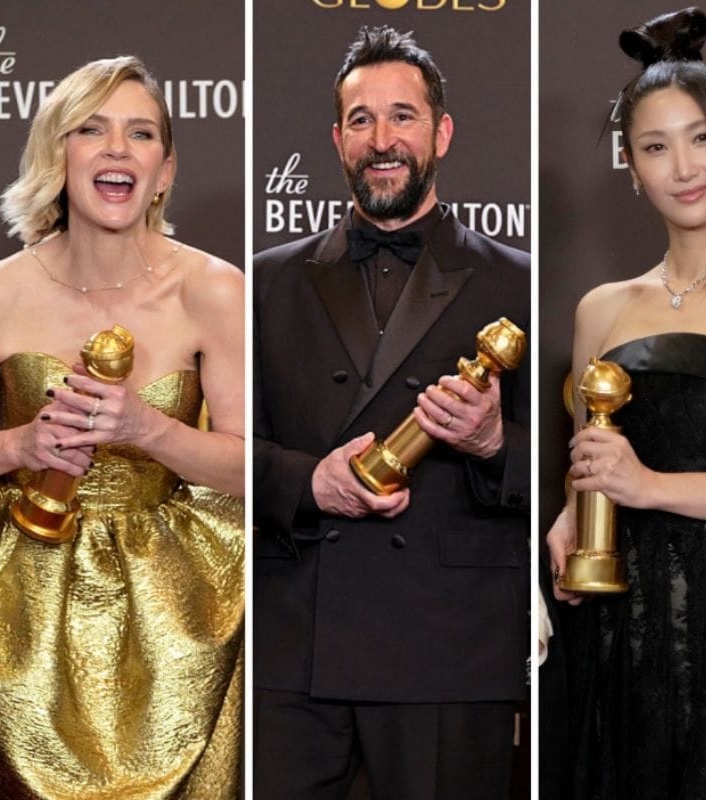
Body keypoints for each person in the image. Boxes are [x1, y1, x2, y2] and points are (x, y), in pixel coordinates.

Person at [253, 26, 529, 799]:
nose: (383, 140)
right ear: (337, 139)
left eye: (403, 116)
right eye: (362, 119)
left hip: (450, 644)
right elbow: (225, 453)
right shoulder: (267, 282)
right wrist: (311, 484)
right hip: (296, 643)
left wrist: (493, 441)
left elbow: (569, 466)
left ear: (441, 133)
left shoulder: (519, 282)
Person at [0, 56, 244, 798]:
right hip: (14, 618)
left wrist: (147, 429)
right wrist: (18, 445)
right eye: (92, 130)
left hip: (175, 623)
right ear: (57, 155)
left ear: (165, 170)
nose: (118, 148)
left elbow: (255, 468)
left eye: (141, 133)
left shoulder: (215, 289)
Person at [545, 8, 706, 799]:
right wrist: (570, 517)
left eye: (701, 138)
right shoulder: (600, 309)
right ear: (632, 167)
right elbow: (588, 467)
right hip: (621, 635)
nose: (684, 166)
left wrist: (649, 486)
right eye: (655, 147)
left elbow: (633, 478)